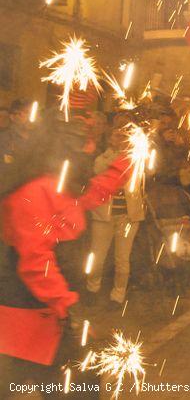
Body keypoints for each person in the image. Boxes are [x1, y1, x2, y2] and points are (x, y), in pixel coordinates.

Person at [0, 131, 132, 398]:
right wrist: (67, 307)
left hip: (48, 309)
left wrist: (129, 160)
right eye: (84, 148)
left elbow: (94, 192)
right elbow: (36, 261)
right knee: (71, 384)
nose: (89, 152)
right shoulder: (34, 192)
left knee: (58, 378)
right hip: (32, 310)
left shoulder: (59, 184)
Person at [86, 119, 146, 305]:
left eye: (123, 136)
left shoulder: (136, 158)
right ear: (109, 138)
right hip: (103, 216)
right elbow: (101, 171)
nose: (119, 138)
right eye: (115, 135)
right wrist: (117, 154)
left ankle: (118, 295)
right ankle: (92, 288)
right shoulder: (101, 158)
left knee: (122, 259)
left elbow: (140, 175)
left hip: (128, 216)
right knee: (97, 257)